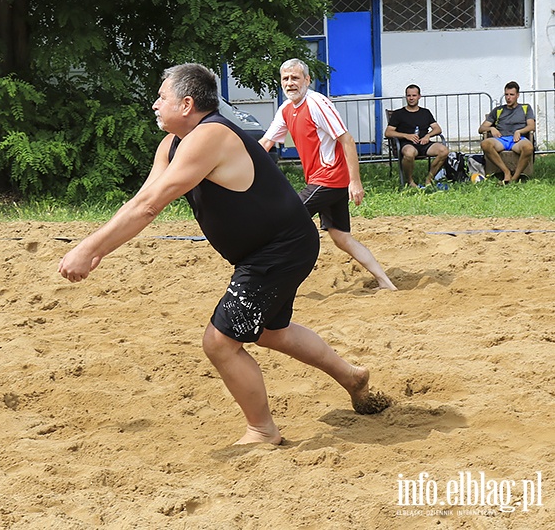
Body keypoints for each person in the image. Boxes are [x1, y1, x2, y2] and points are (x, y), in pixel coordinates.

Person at [59, 63, 390, 445]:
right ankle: (352, 376)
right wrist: (95, 247)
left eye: (161, 97)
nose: (154, 104)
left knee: (220, 342)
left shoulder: (210, 135)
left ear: (186, 104)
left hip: (280, 248)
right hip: (267, 249)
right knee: (270, 332)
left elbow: (149, 207)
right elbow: (143, 201)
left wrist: (88, 250)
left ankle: (262, 431)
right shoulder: (171, 144)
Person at [259, 58, 397, 291]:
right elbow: (265, 143)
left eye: (295, 78)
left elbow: (347, 139)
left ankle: (271, 282)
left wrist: (355, 182)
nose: (290, 83)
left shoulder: (317, 103)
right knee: (341, 237)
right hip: (321, 180)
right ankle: (386, 282)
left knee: (285, 221)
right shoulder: (285, 109)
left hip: (330, 179)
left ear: (307, 80)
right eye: (285, 79)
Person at [384, 84, 450, 188]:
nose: (411, 98)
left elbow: (437, 129)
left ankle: (429, 179)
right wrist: (406, 136)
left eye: (414, 95)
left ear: (419, 96)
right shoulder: (398, 114)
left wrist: (428, 136)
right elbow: (388, 132)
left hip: (424, 143)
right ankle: (410, 181)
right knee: (409, 153)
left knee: (444, 151)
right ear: (405, 96)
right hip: (407, 144)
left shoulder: (425, 112)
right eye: (408, 95)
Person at [478, 81, 535, 183]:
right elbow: (481, 128)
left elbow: (532, 126)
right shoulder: (498, 110)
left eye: (511, 95)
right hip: (501, 139)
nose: (508, 98)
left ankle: (515, 177)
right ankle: (506, 172)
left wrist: (519, 131)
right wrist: (491, 128)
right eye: (506, 95)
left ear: (517, 95)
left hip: (518, 140)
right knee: (485, 144)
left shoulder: (525, 108)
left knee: (529, 147)